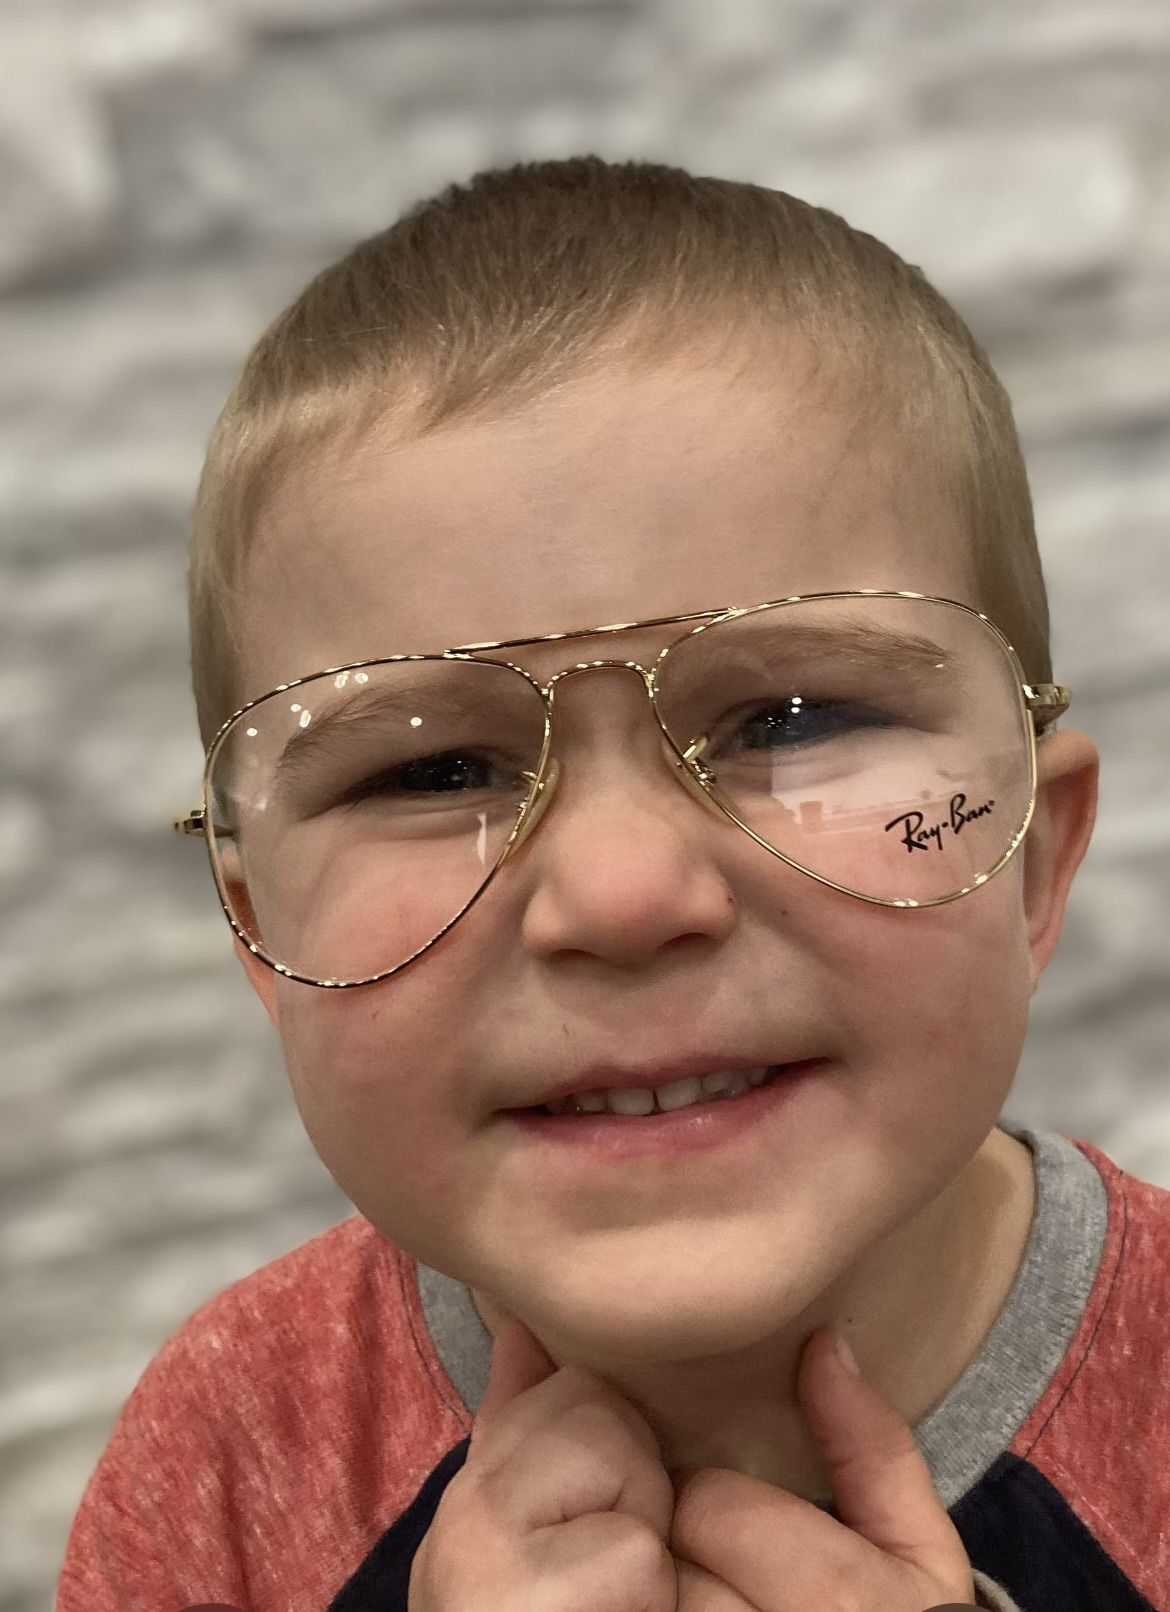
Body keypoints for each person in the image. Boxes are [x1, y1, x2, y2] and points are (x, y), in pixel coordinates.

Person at [57, 157, 1169, 1612]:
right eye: (433, 770)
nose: (622, 893)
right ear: (260, 938)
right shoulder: (225, 1457)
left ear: (1030, 855)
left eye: (788, 721)